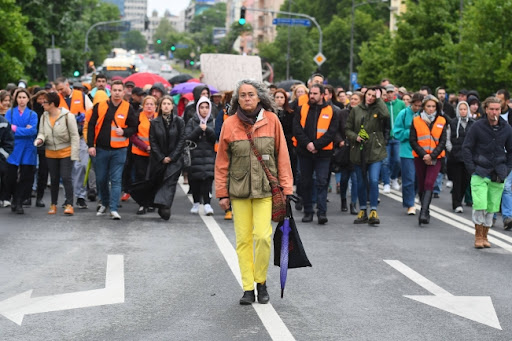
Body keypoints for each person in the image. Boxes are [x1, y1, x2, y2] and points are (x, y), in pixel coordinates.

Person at [215, 79, 293, 305]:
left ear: (259, 97)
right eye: (243, 95)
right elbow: (222, 162)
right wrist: (221, 193)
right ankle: (248, 287)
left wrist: (286, 187)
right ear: (237, 99)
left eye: (251, 94)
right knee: (243, 241)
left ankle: (261, 281)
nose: (247, 98)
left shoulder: (272, 121)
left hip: (265, 190)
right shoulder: (229, 124)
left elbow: (283, 157)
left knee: (262, 237)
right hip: (238, 191)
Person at [463, 97, 512, 248]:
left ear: (501, 110)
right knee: (480, 204)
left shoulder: (507, 128)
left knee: (491, 207)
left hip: (498, 173)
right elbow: (466, 147)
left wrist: (507, 168)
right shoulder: (477, 126)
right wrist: (472, 169)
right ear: (486, 109)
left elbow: (511, 151)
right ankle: (478, 236)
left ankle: (485, 236)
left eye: (497, 109)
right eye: (491, 109)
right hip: (480, 171)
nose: (494, 112)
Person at [87, 80, 138, 220]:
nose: (117, 93)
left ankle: (114, 209)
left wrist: (125, 131)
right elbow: (91, 126)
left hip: (119, 150)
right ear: (111, 92)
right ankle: (104, 203)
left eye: (119, 90)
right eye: (114, 90)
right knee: (101, 179)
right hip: (101, 149)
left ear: (123, 92)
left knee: (116, 180)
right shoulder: (100, 106)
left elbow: (135, 127)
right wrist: (90, 145)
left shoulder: (128, 108)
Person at [293, 83, 339, 224]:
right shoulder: (301, 109)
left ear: (322, 95)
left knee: (321, 181)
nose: (311, 96)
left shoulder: (332, 111)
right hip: (305, 152)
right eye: (310, 93)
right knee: (306, 182)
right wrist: (308, 144)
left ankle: (321, 212)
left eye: (315, 94)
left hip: (323, 153)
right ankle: (308, 211)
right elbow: (297, 129)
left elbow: (331, 132)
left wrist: (316, 145)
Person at [345, 87, 389, 225]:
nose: (370, 97)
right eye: (368, 95)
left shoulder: (378, 109)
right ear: (364, 95)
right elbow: (347, 128)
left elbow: (386, 115)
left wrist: (379, 99)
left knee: (374, 180)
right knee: (361, 181)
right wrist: (355, 137)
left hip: (375, 150)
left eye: (373, 95)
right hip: (359, 150)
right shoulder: (356, 109)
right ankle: (363, 209)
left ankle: (374, 210)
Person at [34, 92, 80, 215]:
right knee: (54, 179)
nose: (42, 104)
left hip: (65, 151)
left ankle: (69, 204)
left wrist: (75, 154)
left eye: (45, 102)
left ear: (52, 104)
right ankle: (53, 204)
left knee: (66, 177)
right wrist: (40, 139)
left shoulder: (67, 116)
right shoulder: (44, 116)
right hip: (50, 152)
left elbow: (75, 136)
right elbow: (42, 132)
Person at [55, 77, 93, 209]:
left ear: (67, 84)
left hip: (81, 137)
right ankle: (68, 197)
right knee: (67, 169)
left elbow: (91, 111)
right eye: (58, 90)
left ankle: (81, 195)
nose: (61, 92)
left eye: (62, 89)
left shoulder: (81, 96)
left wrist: (84, 117)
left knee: (81, 166)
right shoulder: (56, 98)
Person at [409, 95, 447, 225]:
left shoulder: (442, 120)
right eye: (428, 106)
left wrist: (432, 156)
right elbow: (412, 140)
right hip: (420, 157)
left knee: (429, 183)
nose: (431, 109)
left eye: (433, 106)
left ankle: (423, 213)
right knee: (421, 184)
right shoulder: (416, 120)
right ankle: (427, 209)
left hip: (436, 158)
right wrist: (424, 155)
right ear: (423, 107)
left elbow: (443, 141)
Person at [149, 95, 185, 220]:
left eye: (168, 104)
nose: (166, 106)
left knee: (170, 182)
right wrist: (161, 157)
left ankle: (165, 206)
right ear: (160, 106)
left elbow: (181, 140)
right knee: (160, 181)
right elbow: (152, 141)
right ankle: (160, 204)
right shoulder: (154, 122)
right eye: (163, 103)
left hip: (175, 160)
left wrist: (172, 157)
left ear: (172, 106)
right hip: (159, 160)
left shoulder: (179, 121)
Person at [3, 88, 38, 214]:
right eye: (19, 97)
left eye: (24, 97)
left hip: (28, 148)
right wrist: (23, 130)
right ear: (15, 99)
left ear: (28, 99)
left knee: (26, 176)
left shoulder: (32, 114)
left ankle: (18, 201)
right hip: (14, 147)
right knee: (10, 176)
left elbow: (33, 131)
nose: (22, 100)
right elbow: (7, 130)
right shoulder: (10, 113)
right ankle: (13, 197)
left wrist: (15, 129)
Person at [393, 93, 424, 215]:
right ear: (411, 103)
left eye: (419, 106)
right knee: (409, 179)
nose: (417, 108)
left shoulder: (424, 115)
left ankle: (413, 196)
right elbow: (396, 132)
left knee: (418, 178)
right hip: (407, 151)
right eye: (415, 105)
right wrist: (411, 132)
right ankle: (409, 204)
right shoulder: (404, 114)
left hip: (421, 151)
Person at [185, 96, 216, 215]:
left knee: (207, 180)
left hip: (209, 156)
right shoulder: (192, 121)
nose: (204, 110)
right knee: (195, 181)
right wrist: (198, 130)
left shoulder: (212, 121)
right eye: (202, 107)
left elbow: (216, 138)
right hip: (194, 156)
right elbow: (187, 138)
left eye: (207, 107)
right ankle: (196, 202)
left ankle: (207, 204)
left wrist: (207, 130)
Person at [334, 91, 362, 214]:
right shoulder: (342, 113)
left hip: (358, 150)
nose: (353, 101)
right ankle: (344, 200)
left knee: (355, 179)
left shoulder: (364, 114)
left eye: (356, 99)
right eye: (352, 99)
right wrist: (340, 141)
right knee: (344, 178)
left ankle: (353, 204)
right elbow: (335, 130)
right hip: (345, 150)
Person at [130, 96, 158, 215]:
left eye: (152, 104)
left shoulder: (159, 118)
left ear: (156, 106)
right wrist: (145, 147)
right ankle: (142, 204)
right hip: (140, 152)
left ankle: (151, 202)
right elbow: (133, 135)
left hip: (155, 154)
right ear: (143, 106)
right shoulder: (138, 117)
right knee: (141, 178)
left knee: (153, 178)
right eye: (147, 104)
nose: (149, 106)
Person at [445, 101, 474, 213]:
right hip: (455, 157)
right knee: (457, 181)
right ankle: (456, 203)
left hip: (468, 158)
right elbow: (447, 139)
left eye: (464, 109)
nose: (463, 111)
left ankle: (460, 199)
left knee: (465, 181)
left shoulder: (473, 123)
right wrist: (451, 150)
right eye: (460, 109)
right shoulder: (452, 123)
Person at [382, 84, 406, 193]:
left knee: (398, 160)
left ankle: (394, 178)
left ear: (395, 93)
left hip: (398, 137)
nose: (390, 94)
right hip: (386, 137)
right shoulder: (383, 105)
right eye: (388, 92)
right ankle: (386, 183)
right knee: (385, 161)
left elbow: (406, 117)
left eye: (392, 92)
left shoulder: (401, 104)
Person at [0, 111, 14, 208]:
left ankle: (4, 198)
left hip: (0, 154)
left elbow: (8, 142)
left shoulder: (3, 122)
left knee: (4, 174)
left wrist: (3, 155)